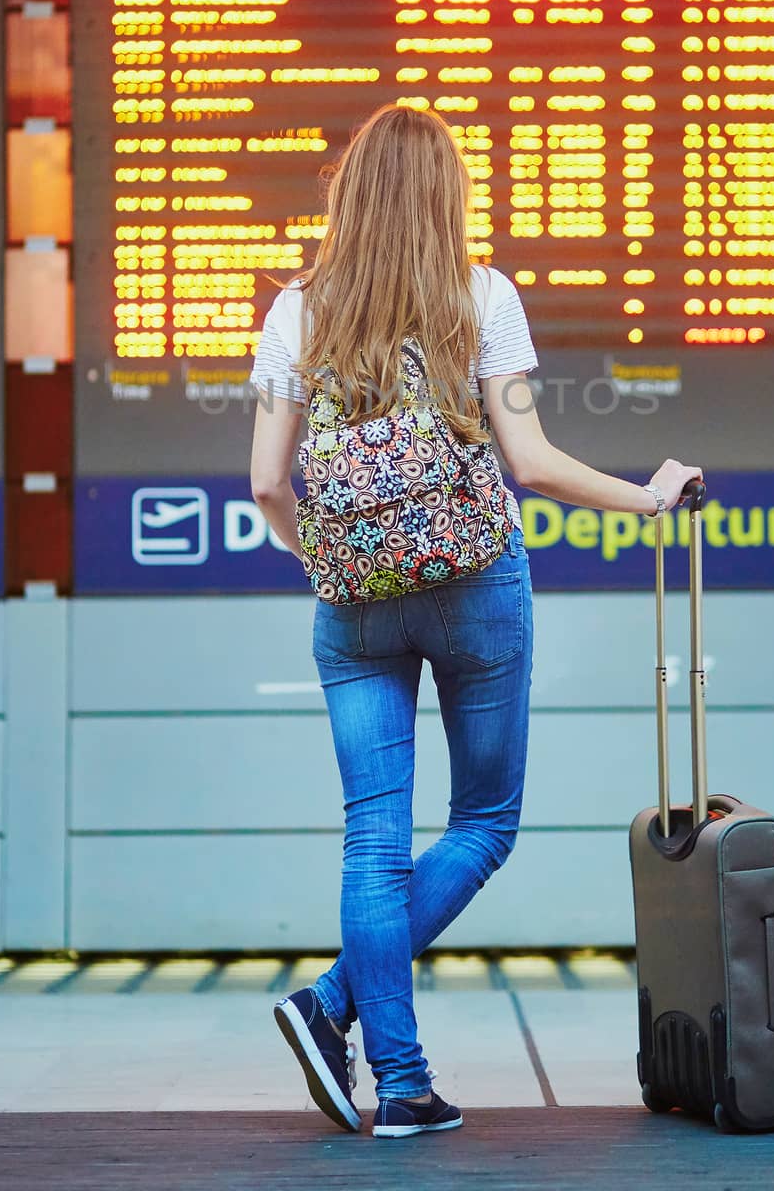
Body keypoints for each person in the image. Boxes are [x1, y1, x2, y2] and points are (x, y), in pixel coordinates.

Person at [248, 104, 702, 1139]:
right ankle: (329, 1005)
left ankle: (397, 1081)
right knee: (484, 821)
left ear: (348, 191)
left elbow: (269, 483)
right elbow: (530, 464)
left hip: (351, 600)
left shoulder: (296, 309)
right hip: (477, 582)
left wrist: (322, 556)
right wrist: (648, 496)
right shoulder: (481, 294)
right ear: (446, 194)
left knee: (374, 836)